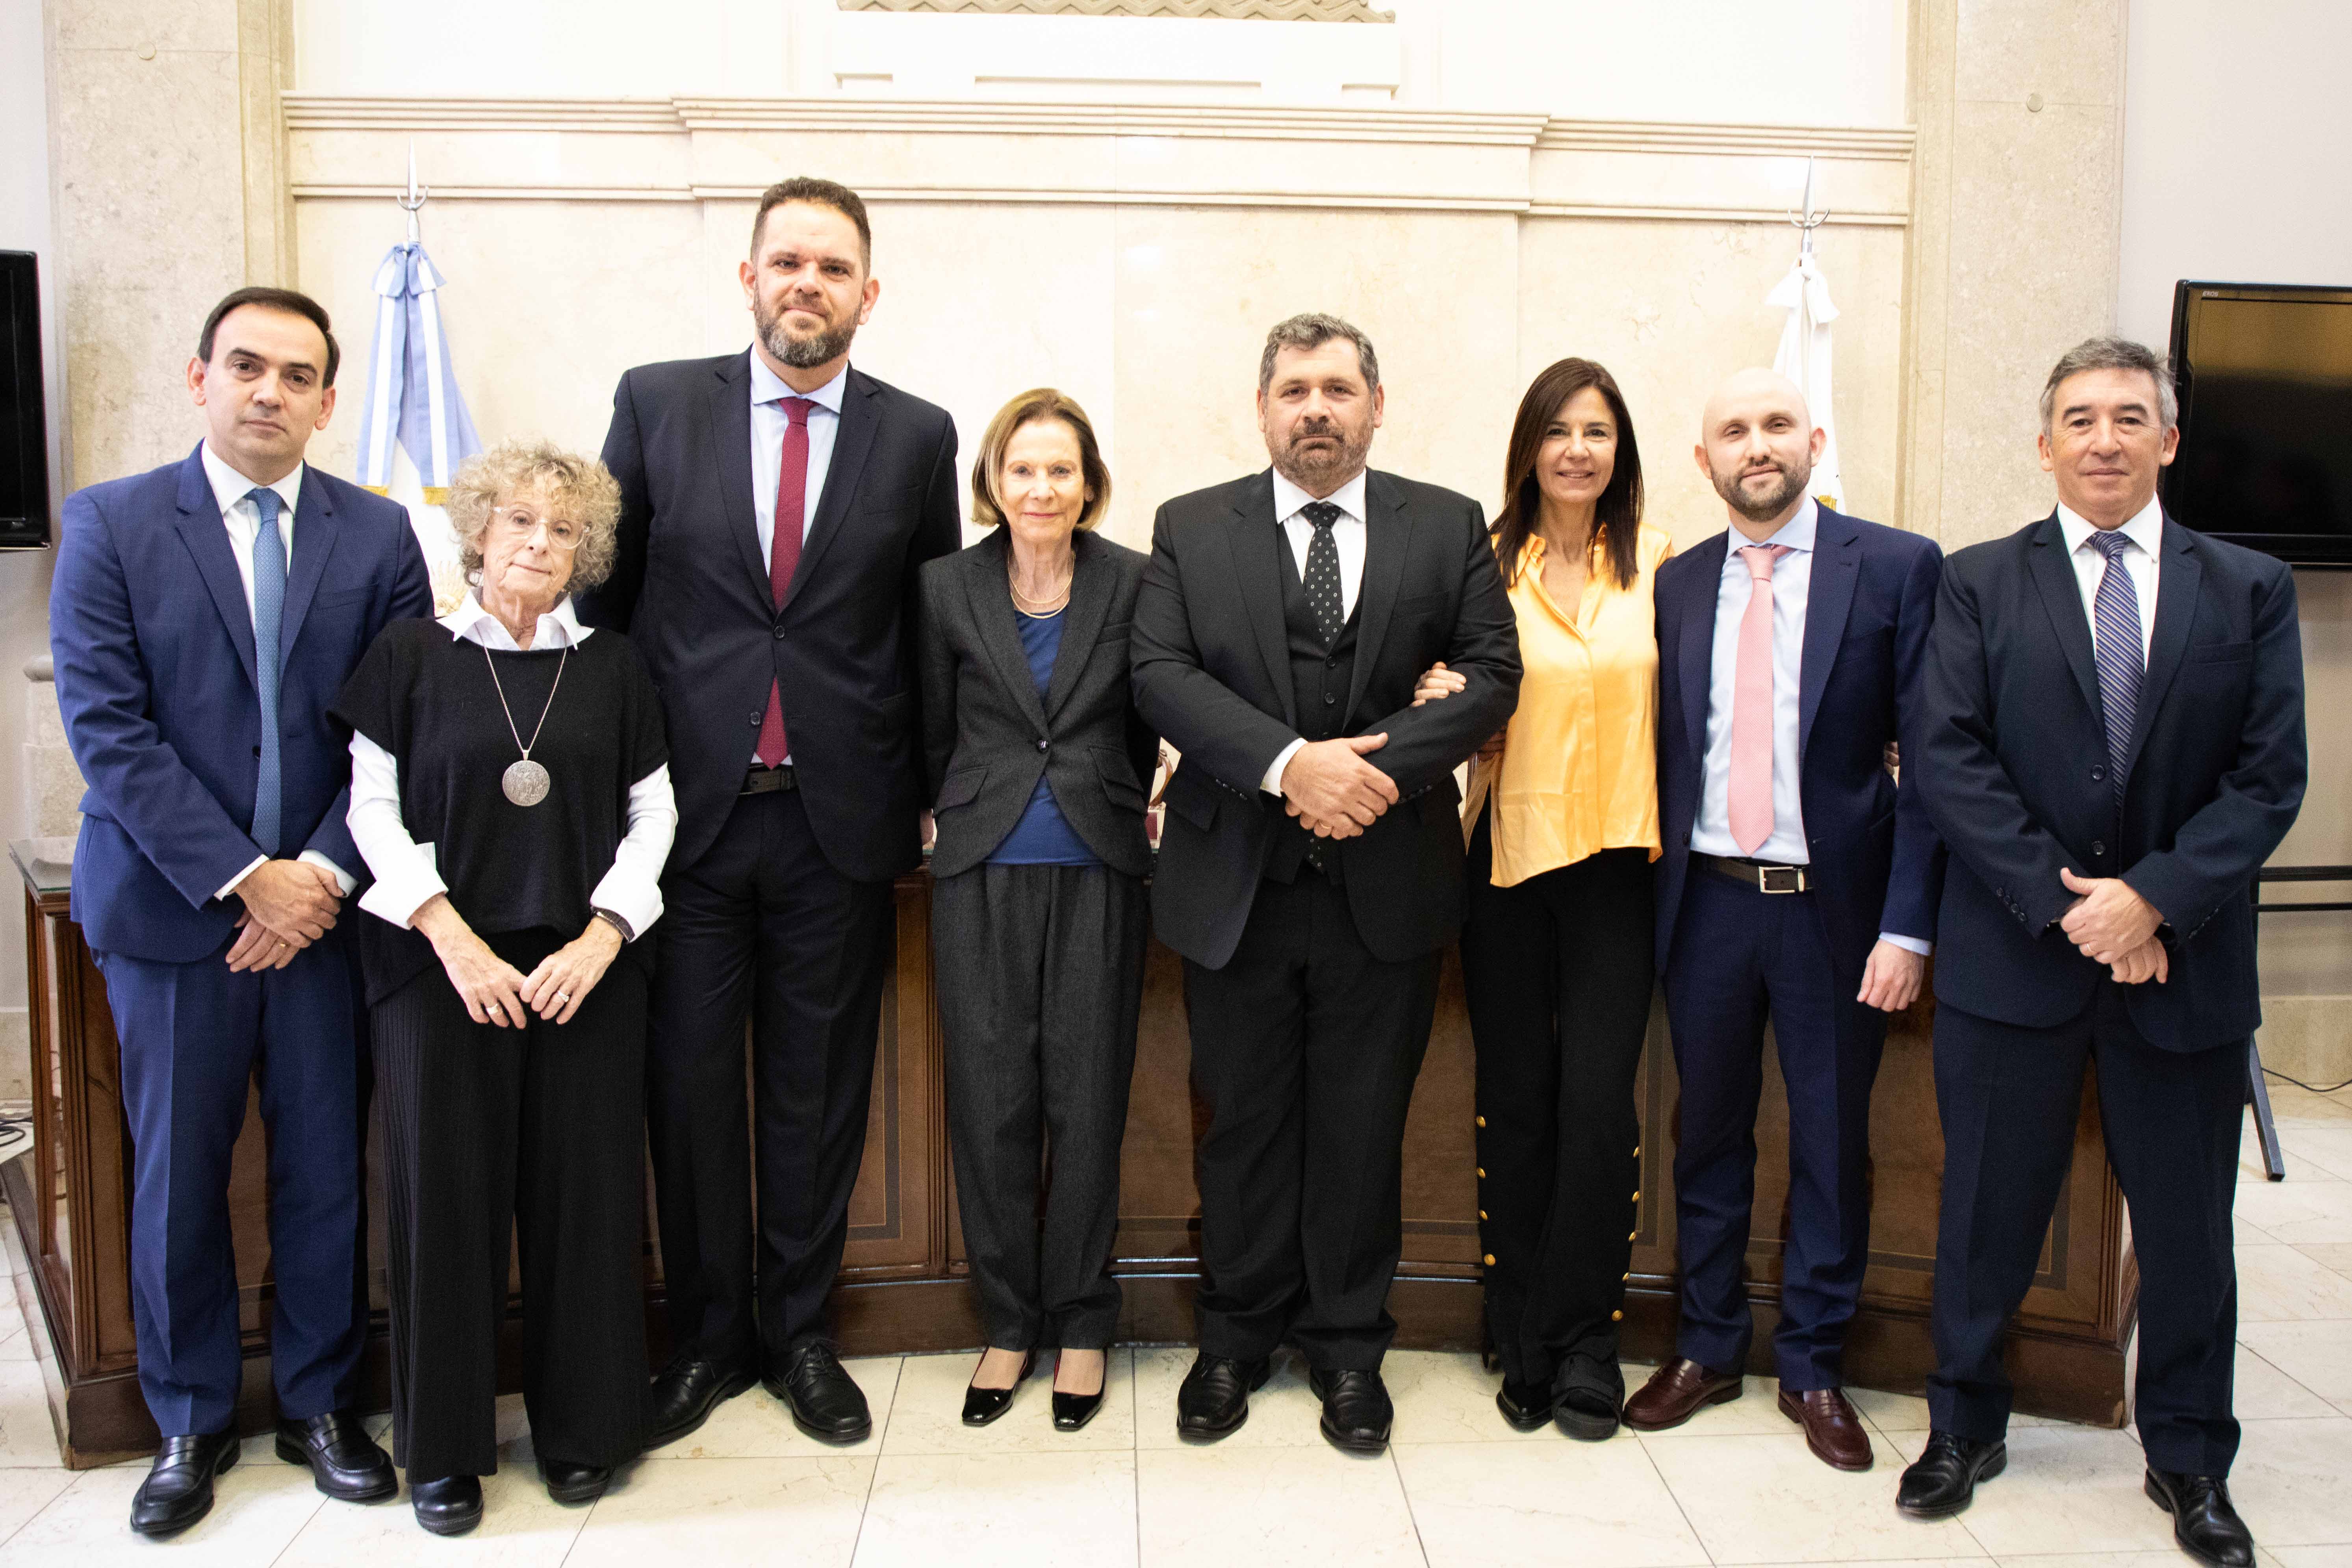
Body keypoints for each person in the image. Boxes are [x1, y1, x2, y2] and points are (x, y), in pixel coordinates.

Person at [1898, 339, 2305, 1567]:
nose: (2103, 439)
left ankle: (2187, 1459)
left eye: (2130, 417)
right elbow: (1949, 758)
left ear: (2167, 441)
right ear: (2044, 446)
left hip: (2181, 973)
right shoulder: (1975, 583)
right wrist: (2076, 908)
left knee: (2187, 1235)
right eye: (2078, 418)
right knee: (1983, 1214)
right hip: (2014, 962)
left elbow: (2267, 778)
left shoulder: (2246, 587)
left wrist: (2152, 904)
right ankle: (1963, 1427)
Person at [577, 175, 961, 1448]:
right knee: (687, 1088)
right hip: (681, 826)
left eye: (833, 267)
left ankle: (801, 1334)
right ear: (748, 278)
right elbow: (609, 612)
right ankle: (707, 1340)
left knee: (814, 1091)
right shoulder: (656, 402)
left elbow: (929, 632)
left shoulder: (917, 436)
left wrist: (926, 798)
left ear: (867, 291)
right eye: (786, 261)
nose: (808, 283)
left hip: (838, 824)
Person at [48, 287, 428, 1535]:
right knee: (178, 1180)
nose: (269, 392)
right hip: (170, 917)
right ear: (198, 376)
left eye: (297, 375)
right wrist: (239, 875)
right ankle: (188, 1418)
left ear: (329, 401)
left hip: (328, 918)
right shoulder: (109, 525)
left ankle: (322, 1404)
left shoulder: (377, 541)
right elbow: (110, 731)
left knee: (326, 1167)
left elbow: (395, 733)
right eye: (246, 367)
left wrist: (312, 877)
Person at [1131, 312, 1521, 1453]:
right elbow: (1158, 674)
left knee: (1360, 1127)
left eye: (1338, 389)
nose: (1316, 407)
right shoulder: (1190, 526)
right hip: (1233, 886)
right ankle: (1235, 1340)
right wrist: (1287, 765)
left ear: (1375, 404)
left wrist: (1368, 774)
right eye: (1294, 389)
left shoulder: (1444, 525)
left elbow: (1491, 674)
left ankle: (1350, 1350)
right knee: (1243, 1125)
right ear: (1261, 409)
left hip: (1386, 888)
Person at [334, 442, 674, 1535]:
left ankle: (584, 1433)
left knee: (586, 1203)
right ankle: (442, 1452)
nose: (539, 543)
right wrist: (450, 937)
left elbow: (653, 814)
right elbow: (370, 812)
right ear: (475, 531)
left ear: (589, 551)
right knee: (446, 1207)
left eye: (564, 529)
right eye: (519, 521)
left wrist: (603, 934)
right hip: (444, 971)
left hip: (585, 972)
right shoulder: (409, 656)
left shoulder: (615, 667)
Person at [1624, 369, 1944, 1473]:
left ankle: (1811, 1362)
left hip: (1834, 915)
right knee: (1702, 1135)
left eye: (1773, 426)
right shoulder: (1673, 582)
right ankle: (1706, 1346)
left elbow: (1933, 765)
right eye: (1731, 431)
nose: (1754, 446)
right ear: (1703, 459)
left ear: (1812, 440)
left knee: (1828, 1143)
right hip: (1705, 906)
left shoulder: (1898, 567)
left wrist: (1908, 928)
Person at [1418, 358, 1676, 1440]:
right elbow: (1432, 685)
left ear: (1621, 451)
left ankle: (1581, 1342)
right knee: (1517, 1101)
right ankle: (1513, 1324)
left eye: (1598, 431)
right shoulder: (1477, 568)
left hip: (1621, 865)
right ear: (1527, 446)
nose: (1578, 448)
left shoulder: (1663, 566)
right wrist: (1440, 701)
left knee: (1597, 1108)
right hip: (1507, 864)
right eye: (1558, 429)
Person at [917, 390, 1157, 1433]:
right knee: (993, 1105)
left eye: (1060, 470)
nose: (1041, 487)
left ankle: (1083, 1328)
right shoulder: (943, 587)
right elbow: (927, 722)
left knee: (1087, 1101)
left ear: (1089, 484)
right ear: (994, 481)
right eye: (1022, 469)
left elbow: (1152, 714)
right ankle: (1009, 1323)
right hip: (978, 867)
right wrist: (935, 815)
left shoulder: (1139, 583)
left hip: (1101, 864)